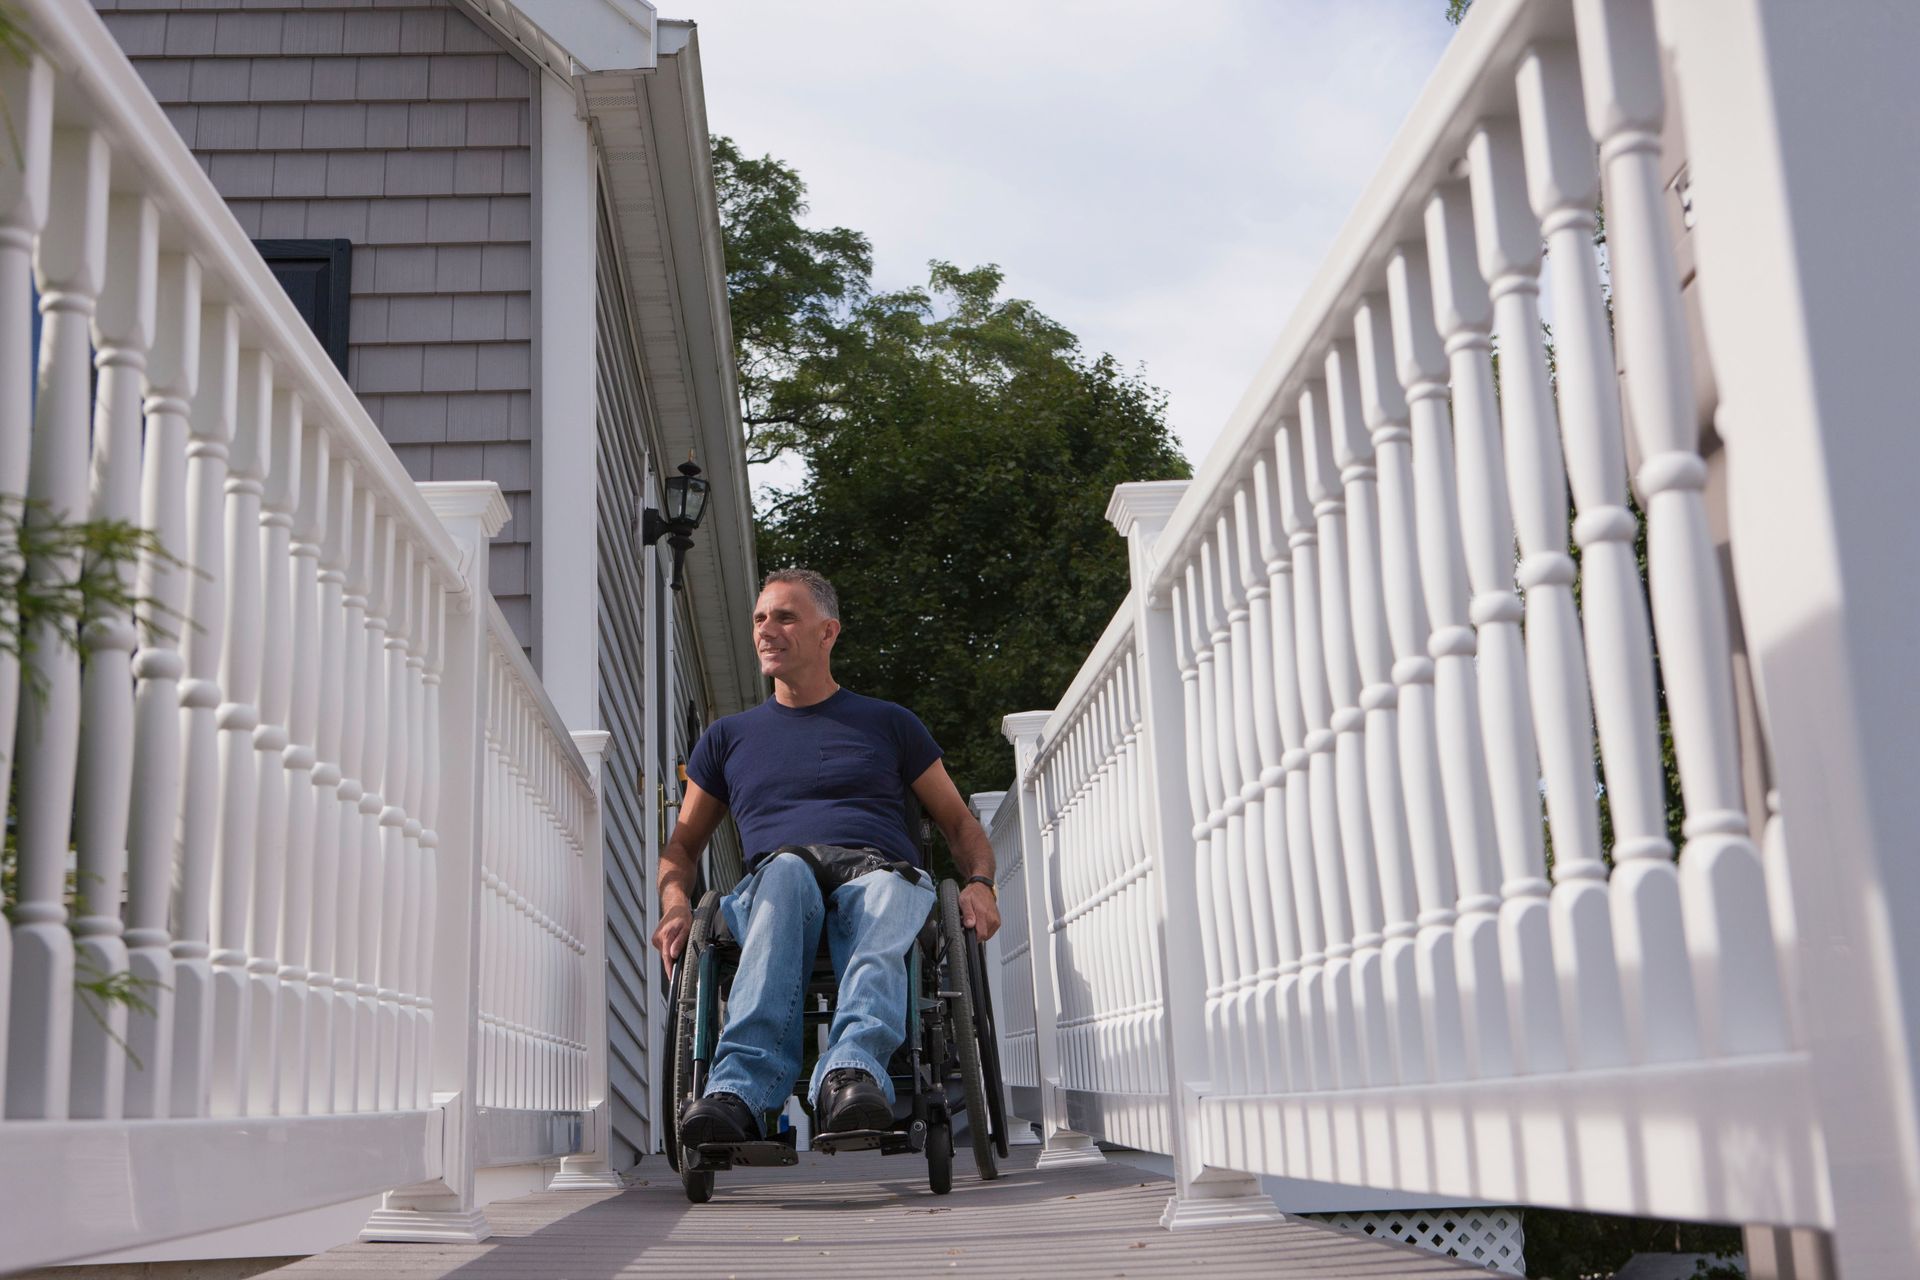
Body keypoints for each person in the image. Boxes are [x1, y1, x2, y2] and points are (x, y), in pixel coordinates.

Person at [652, 568, 1000, 1146]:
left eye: (785, 617)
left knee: (888, 890)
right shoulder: (727, 738)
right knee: (787, 874)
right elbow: (682, 847)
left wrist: (981, 882)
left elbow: (961, 823)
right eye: (760, 618)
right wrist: (675, 906)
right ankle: (737, 1090)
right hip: (779, 886)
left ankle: (850, 1072)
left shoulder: (890, 723)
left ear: (827, 632)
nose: (767, 630)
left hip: (875, 874)